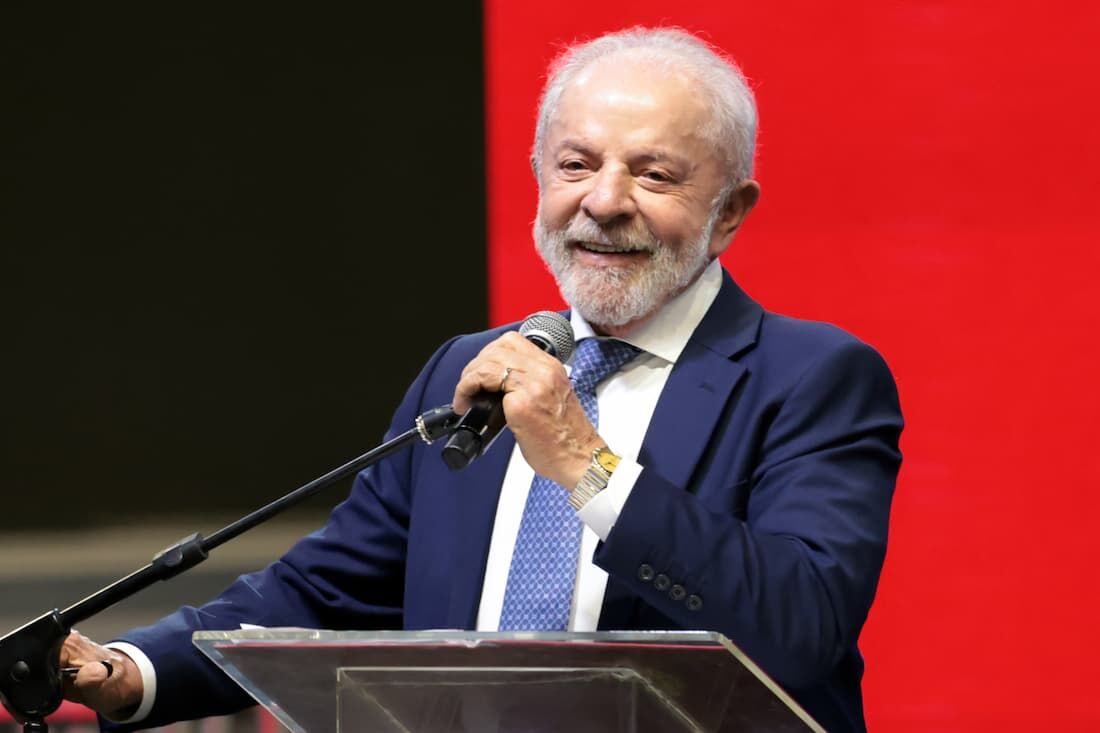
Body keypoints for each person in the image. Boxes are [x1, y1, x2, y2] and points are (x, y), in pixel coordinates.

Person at [53, 26, 903, 733]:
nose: (604, 201)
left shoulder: (813, 378)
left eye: (653, 174)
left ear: (730, 213)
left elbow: (799, 629)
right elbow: (326, 592)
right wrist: (129, 671)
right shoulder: (472, 369)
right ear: (539, 179)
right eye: (575, 165)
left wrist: (586, 464)